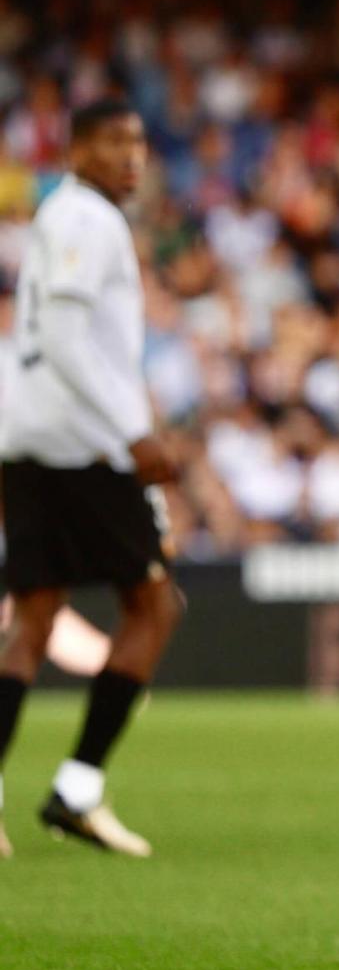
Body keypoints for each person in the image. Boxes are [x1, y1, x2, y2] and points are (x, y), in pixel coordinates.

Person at [0, 99, 184, 859]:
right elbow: (69, 340)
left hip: (30, 434)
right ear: (76, 150)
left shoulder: (62, 213)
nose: (130, 155)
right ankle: (78, 788)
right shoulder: (87, 220)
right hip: (82, 444)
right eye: (112, 141)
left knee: (33, 618)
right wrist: (132, 430)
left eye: (139, 141)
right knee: (152, 603)